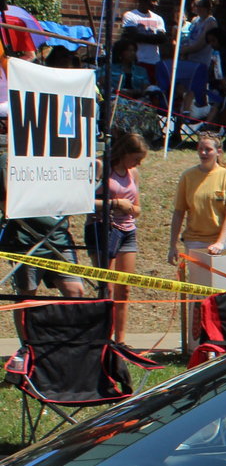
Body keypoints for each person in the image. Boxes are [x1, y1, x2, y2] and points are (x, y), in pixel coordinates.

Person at [88, 132, 146, 343]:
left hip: (127, 231)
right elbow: (84, 200)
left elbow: (138, 208)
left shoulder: (134, 173)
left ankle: (120, 341)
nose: (138, 163)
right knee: (108, 287)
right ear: (124, 152)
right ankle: (103, 337)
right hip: (104, 229)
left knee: (125, 287)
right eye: (136, 158)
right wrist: (114, 204)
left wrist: (130, 208)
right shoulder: (102, 167)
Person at [168, 133, 226, 272]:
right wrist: (172, 246)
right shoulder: (188, 176)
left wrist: (220, 243)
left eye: (208, 149)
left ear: (218, 152)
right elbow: (179, 212)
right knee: (198, 289)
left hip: (223, 243)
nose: (203, 153)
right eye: (200, 149)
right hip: (195, 242)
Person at [120, 0, 167, 83]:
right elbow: (133, 36)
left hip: (155, 61)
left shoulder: (158, 18)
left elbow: (162, 39)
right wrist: (154, 38)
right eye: (153, 0)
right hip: (138, 61)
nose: (156, 4)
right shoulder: (130, 16)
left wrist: (142, 37)